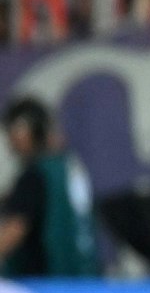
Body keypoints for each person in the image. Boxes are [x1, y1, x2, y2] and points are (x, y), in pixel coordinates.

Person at [0, 97, 97, 278]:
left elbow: (15, 229)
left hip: (46, 285)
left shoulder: (35, 175)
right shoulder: (69, 168)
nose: (9, 142)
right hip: (84, 279)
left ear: (24, 132)